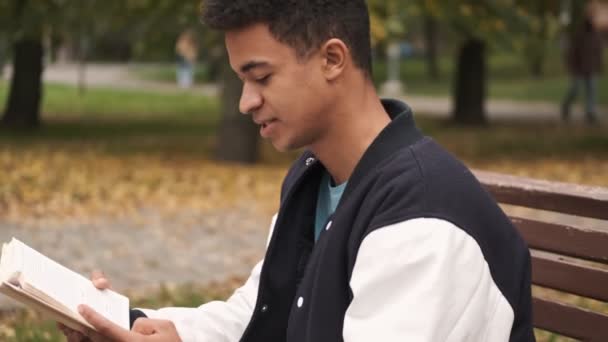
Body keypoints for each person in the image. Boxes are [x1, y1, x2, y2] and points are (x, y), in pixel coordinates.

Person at [61, 0, 535, 341]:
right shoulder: (316, 176)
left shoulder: (422, 216)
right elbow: (261, 310)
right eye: (242, 81)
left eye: (261, 77)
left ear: (332, 59)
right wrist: (146, 325)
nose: (247, 101)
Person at [561, 12, 604, 124]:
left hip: (591, 69)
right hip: (578, 69)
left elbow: (599, 53)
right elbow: (571, 53)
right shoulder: (579, 35)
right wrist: (572, 67)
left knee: (592, 92)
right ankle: (566, 105)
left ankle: (590, 113)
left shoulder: (597, 36)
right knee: (575, 90)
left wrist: (599, 66)